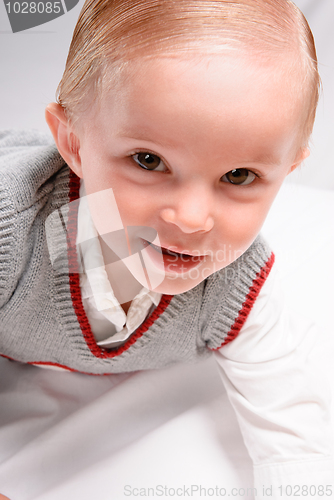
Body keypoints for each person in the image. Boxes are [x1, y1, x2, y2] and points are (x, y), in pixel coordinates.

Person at [0, 0, 333, 498]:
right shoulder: (14, 235)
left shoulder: (238, 286)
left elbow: (294, 433)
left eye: (238, 176)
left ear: (287, 172)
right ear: (74, 144)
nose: (192, 218)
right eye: (149, 160)